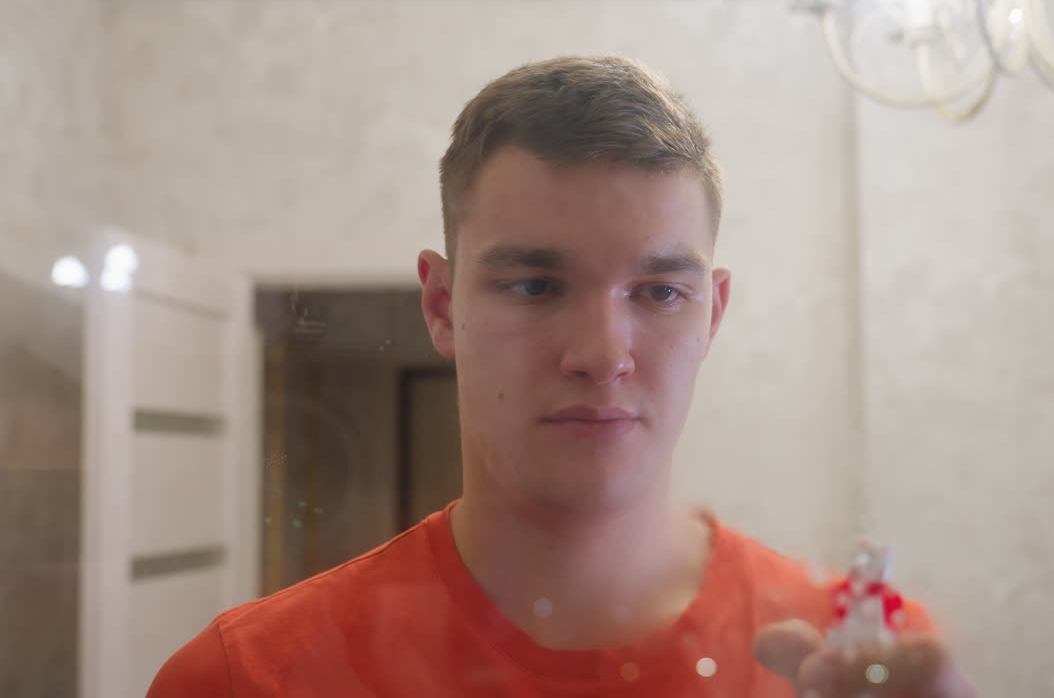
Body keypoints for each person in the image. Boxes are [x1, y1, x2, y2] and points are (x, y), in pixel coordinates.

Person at [147, 56, 975, 697]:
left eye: (659, 292)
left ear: (711, 315)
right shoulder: (243, 680)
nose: (602, 351)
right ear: (440, 306)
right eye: (536, 286)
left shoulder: (859, 666)